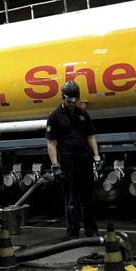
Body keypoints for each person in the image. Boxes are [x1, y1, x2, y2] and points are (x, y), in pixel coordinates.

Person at [46, 80, 102, 239]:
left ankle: (91, 231)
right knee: (72, 201)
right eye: (69, 101)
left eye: (75, 101)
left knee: (88, 200)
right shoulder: (55, 117)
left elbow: (91, 136)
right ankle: (73, 235)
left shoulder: (82, 114)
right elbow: (51, 142)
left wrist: (96, 157)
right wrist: (55, 164)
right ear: (63, 98)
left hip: (85, 161)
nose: (72, 103)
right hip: (68, 165)